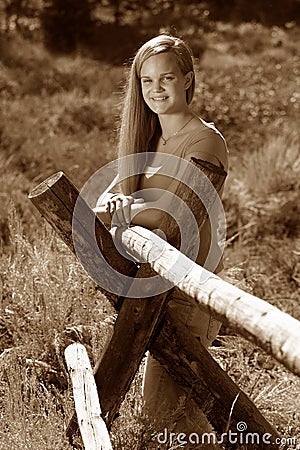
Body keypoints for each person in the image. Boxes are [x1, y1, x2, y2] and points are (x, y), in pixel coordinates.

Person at [95, 34, 229, 448]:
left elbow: (180, 215)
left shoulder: (205, 141)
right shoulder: (148, 140)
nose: (156, 89)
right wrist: (128, 206)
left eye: (167, 78)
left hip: (189, 293)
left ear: (187, 79)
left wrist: (130, 208)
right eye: (147, 81)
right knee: (166, 419)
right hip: (154, 290)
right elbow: (103, 203)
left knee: (170, 422)